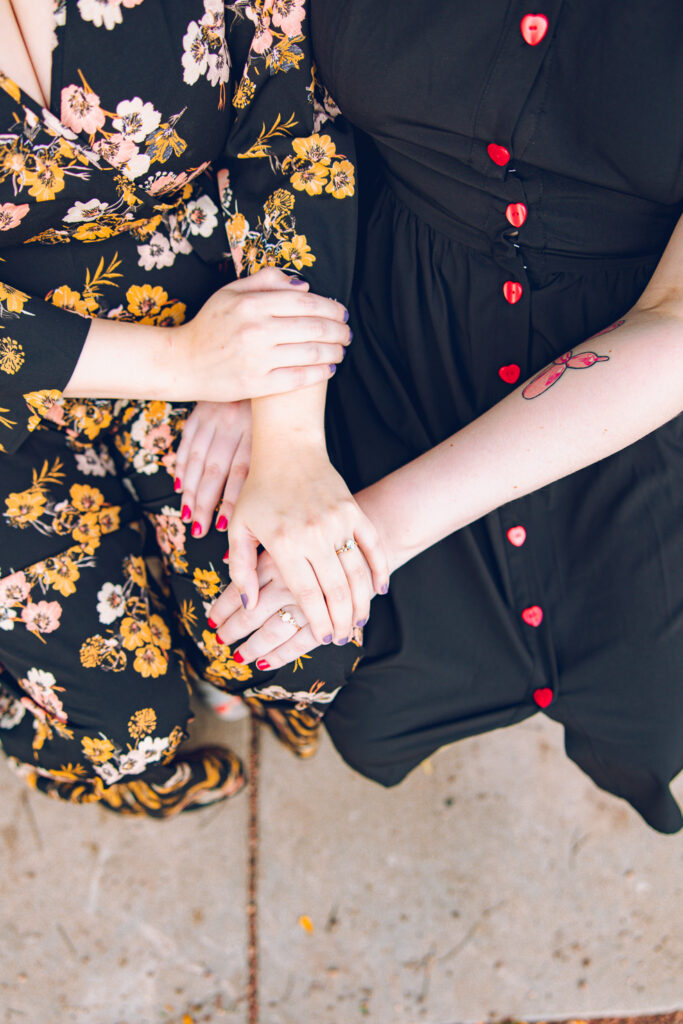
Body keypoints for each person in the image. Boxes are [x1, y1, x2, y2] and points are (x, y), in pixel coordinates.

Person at [206, 0, 683, 834]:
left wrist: (372, 533)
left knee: (647, 682)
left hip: (640, 385)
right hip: (376, 316)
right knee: (339, 656)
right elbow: (271, 113)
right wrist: (259, 359)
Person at [0, 0, 369, 816]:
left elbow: (290, 114)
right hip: (25, 403)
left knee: (291, 644)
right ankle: (94, 764)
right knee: (125, 732)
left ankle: (243, 687)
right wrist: (184, 362)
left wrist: (282, 423)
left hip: (213, 308)